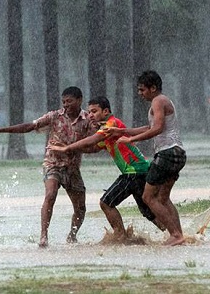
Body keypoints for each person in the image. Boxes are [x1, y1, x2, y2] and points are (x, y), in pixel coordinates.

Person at [0, 87, 93, 248]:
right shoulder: (55, 116)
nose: (66, 105)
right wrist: (2, 130)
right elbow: (30, 126)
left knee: (80, 208)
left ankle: (72, 235)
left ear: (79, 100)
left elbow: (95, 142)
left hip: (72, 168)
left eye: (69, 101)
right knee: (50, 195)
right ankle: (43, 236)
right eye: (64, 102)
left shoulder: (87, 120)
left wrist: (73, 147)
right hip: (52, 164)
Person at [47, 96, 164, 242]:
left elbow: (93, 140)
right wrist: (72, 149)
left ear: (106, 111)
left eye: (94, 111)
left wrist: (67, 148)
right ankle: (173, 233)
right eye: (89, 112)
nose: (90, 115)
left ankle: (120, 236)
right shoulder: (107, 130)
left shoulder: (111, 124)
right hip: (139, 171)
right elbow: (95, 147)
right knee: (148, 211)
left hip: (133, 172)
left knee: (106, 203)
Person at [104, 70, 186, 246]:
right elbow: (148, 127)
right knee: (163, 198)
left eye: (142, 90)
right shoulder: (162, 102)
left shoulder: (158, 101)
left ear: (153, 88)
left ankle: (176, 234)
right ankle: (179, 234)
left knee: (148, 197)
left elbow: (157, 129)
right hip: (177, 153)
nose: (140, 94)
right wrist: (121, 131)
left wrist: (130, 140)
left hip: (167, 153)